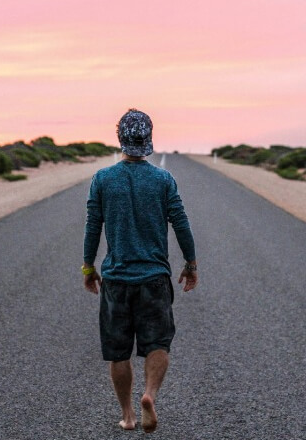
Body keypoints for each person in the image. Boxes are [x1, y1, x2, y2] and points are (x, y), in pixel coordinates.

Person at [82, 109, 198, 433]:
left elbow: (93, 226)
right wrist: (190, 264)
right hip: (153, 279)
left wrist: (88, 267)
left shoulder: (102, 179)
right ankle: (150, 395)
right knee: (158, 343)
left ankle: (128, 415)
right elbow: (181, 223)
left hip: (116, 280)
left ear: (120, 137)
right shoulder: (163, 179)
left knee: (118, 352)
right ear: (149, 139)